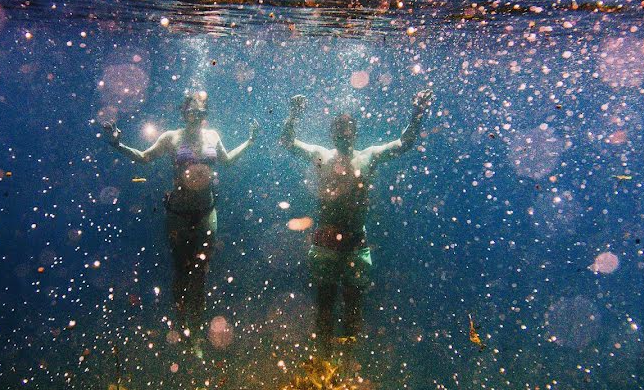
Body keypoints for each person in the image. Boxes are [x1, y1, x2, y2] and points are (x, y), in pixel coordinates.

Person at [280, 89, 434, 360]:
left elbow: (403, 143)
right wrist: (292, 116)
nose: (343, 132)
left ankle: (346, 362)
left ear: (355, 133)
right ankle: (324, 360)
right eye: (338, 128)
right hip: (327, 242)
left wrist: (417, 114)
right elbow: (288, 142)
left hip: (355, 244)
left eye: (347, 128)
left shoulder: (368, 156)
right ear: (332, 133)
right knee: (325, 305)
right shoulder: (321, 155)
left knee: (353, 306)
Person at [103, 91, 258, 355]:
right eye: (191, 112)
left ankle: (194, 335)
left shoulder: (213, 136)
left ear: (206, 114)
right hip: (177, 214)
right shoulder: (171, 137)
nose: (196, 117)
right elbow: (144, 157)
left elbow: (227, 160)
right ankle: (183, 328)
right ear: (183, 113)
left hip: (207, 211)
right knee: (180, 272)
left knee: (199, 274)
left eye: (201, 113)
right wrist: (118, 145)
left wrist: (251, 141)